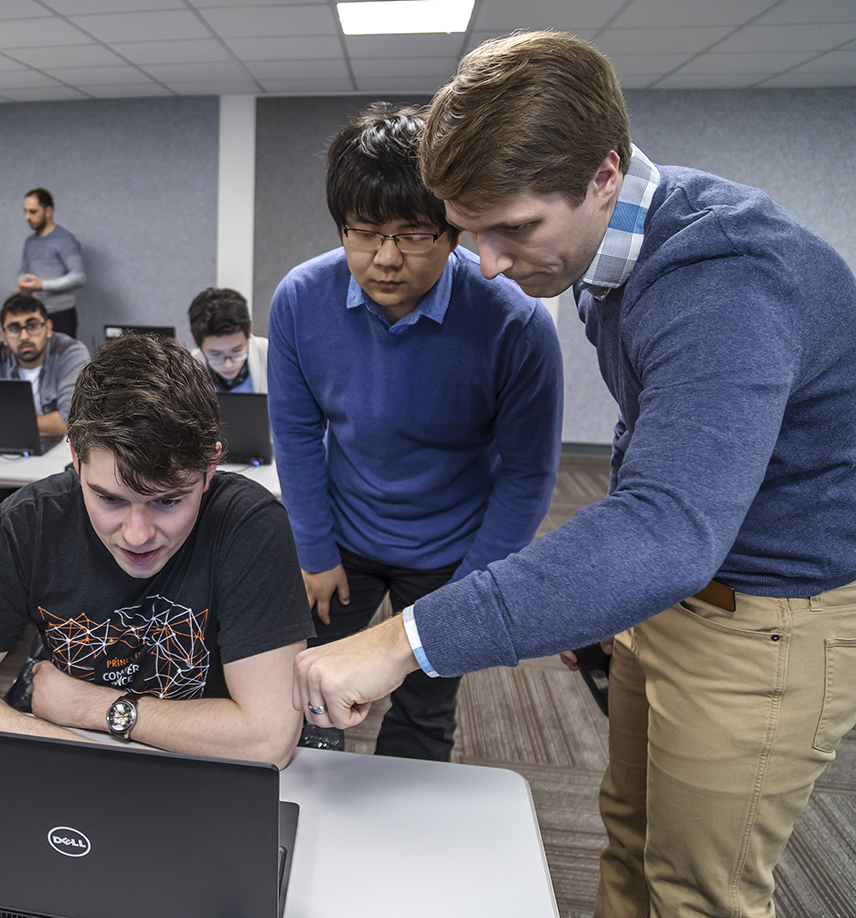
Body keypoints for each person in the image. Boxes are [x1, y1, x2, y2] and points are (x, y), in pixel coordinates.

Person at [293, 32, 856, 918]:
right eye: (472, 230)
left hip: (766, 617)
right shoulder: (604, 255)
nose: (489, 264)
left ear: (605, 174)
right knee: (628, 840)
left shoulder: (725, 280)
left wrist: (397, 640)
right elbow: (659, 456)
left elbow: (664, 528)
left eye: (514, 229)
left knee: (696, 892)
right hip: (681, 593)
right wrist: (603, 598)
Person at [269, 102, 562, 759]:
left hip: (452, 550)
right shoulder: (300, 299)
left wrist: (472, 590)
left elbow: (528, 475)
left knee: (426, 709)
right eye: (365, 232)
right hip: (342, 539)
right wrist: (313, 548)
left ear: (454, 230)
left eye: (414, 234)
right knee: (308, 691)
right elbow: (293, 430)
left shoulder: (514, 324)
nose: (386, 258)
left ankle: (399, 853)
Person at [0, 334, 315, 768]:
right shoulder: (29, 523)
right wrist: (76, 752)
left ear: (210, 469)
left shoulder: (250, 525)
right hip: (77, 766)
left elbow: (267, 740)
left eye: (168, 501)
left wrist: (93, 708)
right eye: (110, 499)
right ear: (76, 460)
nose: (137, 535)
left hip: (208, 772)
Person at [0, 292, 91, 534]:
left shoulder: (70, 351)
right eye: (14, 328)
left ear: (48, 327)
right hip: (2, 458)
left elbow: (68, 419)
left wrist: (0, 423)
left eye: (32, 326)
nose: (24, 336)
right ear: (4, 335)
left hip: (55, 457)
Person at [18, 187, 85, 340]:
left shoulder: (66, 240)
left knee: (63, 361)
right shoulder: (29, 242)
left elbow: (78, 276)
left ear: (48, 211)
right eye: (25, 211)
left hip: (61, 315)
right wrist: (22, 283)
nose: (27, 217)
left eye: (33, 212)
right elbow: (23, 271)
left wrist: (42, 285)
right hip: (35, 314)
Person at [187, 287, 268, 394]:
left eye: (237, 351)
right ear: (196, 342)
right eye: (216, 354)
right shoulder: (187, 371)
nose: (228, 365)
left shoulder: (274, 356)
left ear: (249, 330)